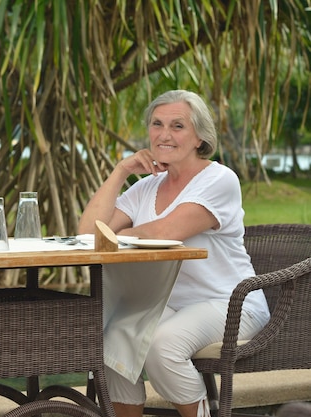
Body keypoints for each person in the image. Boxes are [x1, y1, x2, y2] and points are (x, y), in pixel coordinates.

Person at [78, 90, 270, 417]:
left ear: (199, 137)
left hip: (232, 303)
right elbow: (86, 235)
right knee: (112, 337)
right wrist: (121, 171)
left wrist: (113, 236)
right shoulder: (144, 188)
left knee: (162, 344)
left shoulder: (220, 180)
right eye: (157, 124)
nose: (164, 134)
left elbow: (164, 231)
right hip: (167, 304)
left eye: (178, 126)